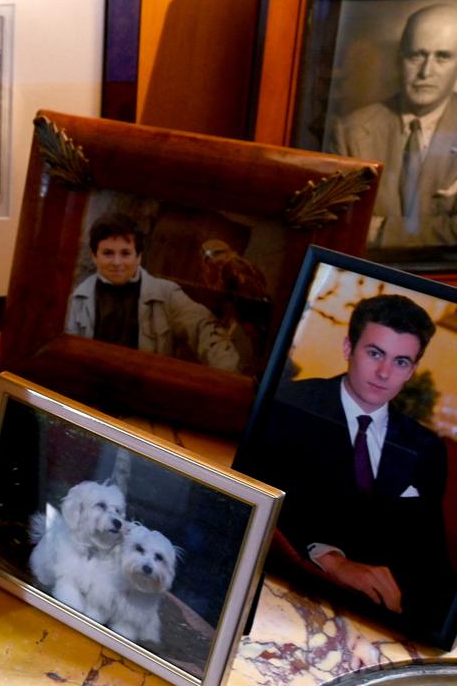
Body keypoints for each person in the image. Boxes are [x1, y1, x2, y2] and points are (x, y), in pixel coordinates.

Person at [245, 294, 452, 624]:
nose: (384, 372)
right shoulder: (288, 405)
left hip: (380, 614)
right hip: (283, 591)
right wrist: (330, 559)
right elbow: (254, 503)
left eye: (400, 362)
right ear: (348, 349)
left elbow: (430, 558)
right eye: (375, 353)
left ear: (412, 370)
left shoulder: (426, 447)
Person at [327, 3, 457, 247]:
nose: (426, 72)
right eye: (416, 55)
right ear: (400, 60)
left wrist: (381, 231)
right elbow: (338, 224)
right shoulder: (351, 131)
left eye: (443, 57)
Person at [64, 212, 239, 371]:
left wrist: (229, 374)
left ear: (138, 256)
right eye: (108, 253)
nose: (117, 262)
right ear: (94, 256)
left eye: (125, 253)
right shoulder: (77, 301)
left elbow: (203, 327)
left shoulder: (166, 294)